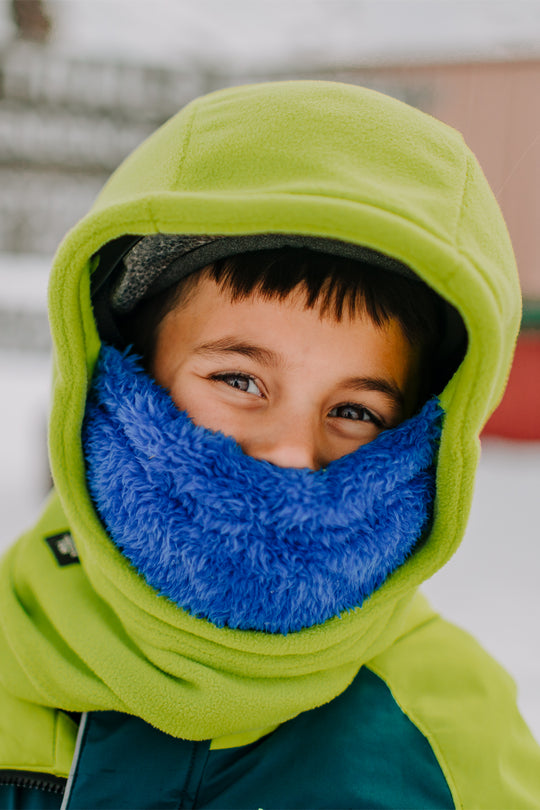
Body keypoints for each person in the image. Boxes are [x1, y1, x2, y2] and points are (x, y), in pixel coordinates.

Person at [0, 80, 539, 809]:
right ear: (121, 368)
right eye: (240, 380)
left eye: (354, 409)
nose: (290, 454)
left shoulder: (454, 737)